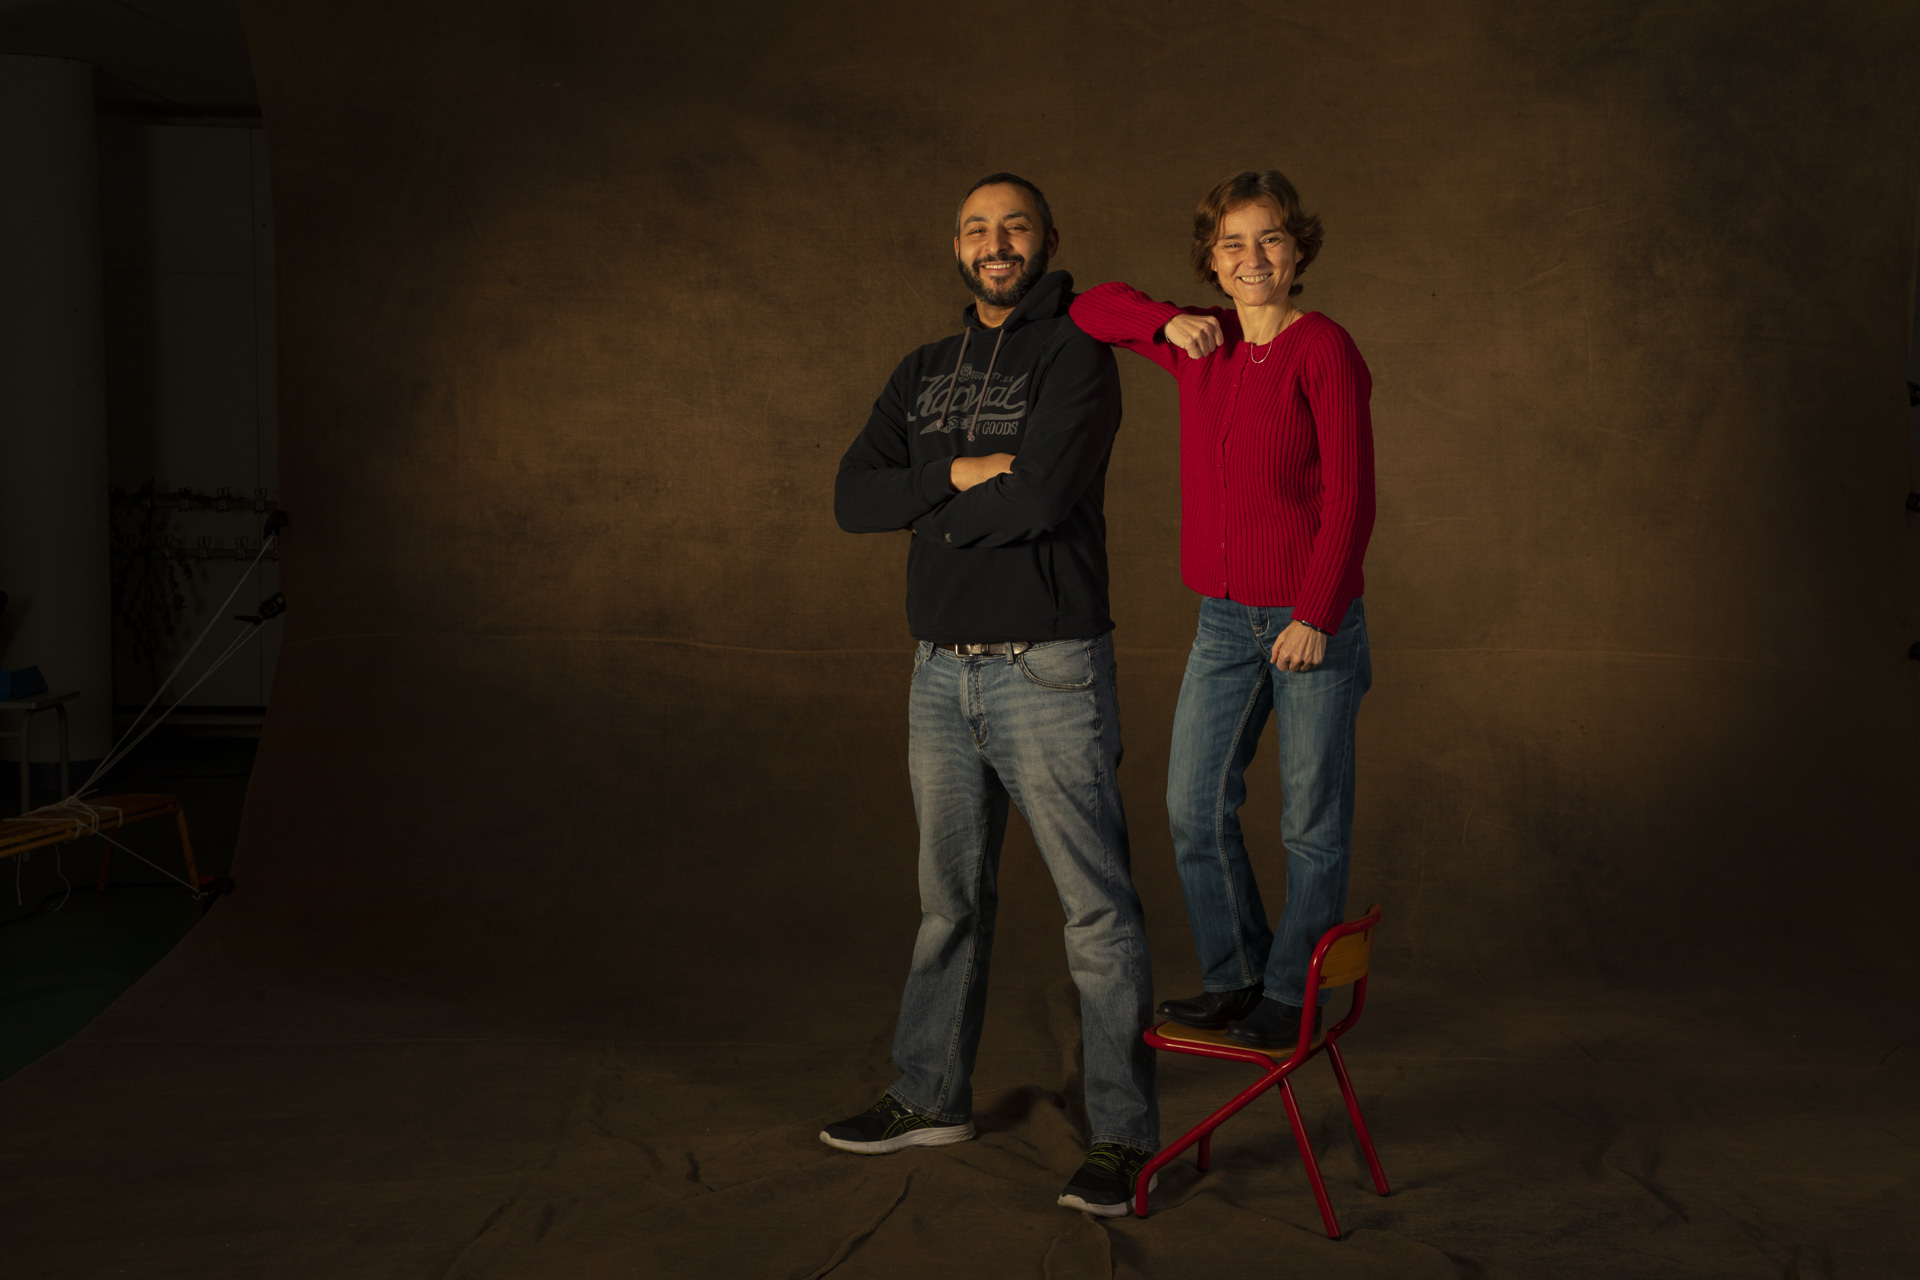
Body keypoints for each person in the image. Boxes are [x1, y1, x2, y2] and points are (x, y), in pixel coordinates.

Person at [824, 173, 1159, 1216]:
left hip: (1047, 667)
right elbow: (851, 496)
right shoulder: (922, 369)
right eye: (977, 227)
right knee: (948, 902)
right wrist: (956, 476)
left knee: (1094, 910)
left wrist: (926, 513)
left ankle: (1124, 1136)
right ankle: (930, 1093)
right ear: (958, 247)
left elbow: (1045, 495)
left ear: (1047, 237)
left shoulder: (1076, 353)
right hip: (938, 671)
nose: (996, 241)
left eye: (1014, 225)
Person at [1070, 169, 1375, 1051]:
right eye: (1232, 243)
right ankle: (1237, 977)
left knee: (1309, 822)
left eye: (1270, 238)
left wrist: (1315, 613)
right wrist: (1162, 320)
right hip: (1224, 620)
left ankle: (1291, 995)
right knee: (1192, 806)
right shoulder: (1202, 344)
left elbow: (1351, 497)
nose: (1253, 258)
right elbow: (1091, 307)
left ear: (1299, 250)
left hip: (1311, 619)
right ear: (1210, 258)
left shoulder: (1324, 348)